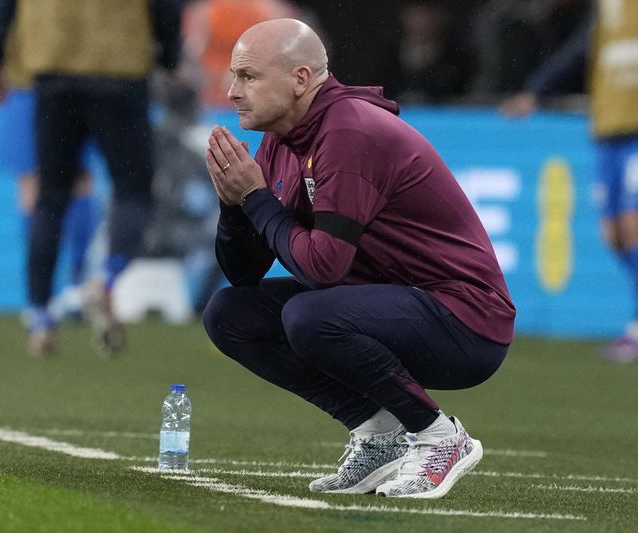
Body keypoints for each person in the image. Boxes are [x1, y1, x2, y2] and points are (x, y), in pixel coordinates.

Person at [202, 19, 515, 498]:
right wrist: (234, 205)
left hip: (467, 321)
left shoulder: (349, 132)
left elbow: (323, 268)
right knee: (229, 313)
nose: (231, 91)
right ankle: (377, 433)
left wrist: (257, 201)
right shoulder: (282, 140)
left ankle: (438, 437)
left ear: (301, 79)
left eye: (247, 76)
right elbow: (244, 273)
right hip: (393, 303)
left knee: (309, 314)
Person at [0, 0, 182, 356]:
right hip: (120, 69)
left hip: (51, 66)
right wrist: (169, 53)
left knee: (50, 195)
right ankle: (107, 280)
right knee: (134, 192)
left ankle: (39, 317)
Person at [501, 2, 638, 363]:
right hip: (608, 129)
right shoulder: (607, 6)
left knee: (633, 227)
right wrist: (536, 90)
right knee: (614, 234)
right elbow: (580, 48)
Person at [0, 21, 98, 328]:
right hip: (88, 74)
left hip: (34, 76)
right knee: (77, 182)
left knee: (35, 188)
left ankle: (42, 300)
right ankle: (76, 285)